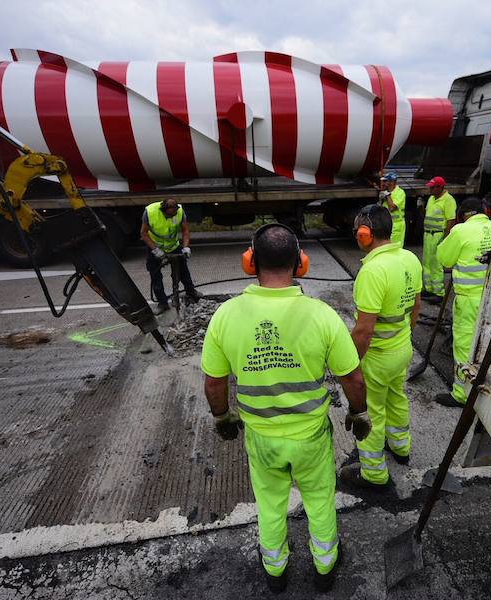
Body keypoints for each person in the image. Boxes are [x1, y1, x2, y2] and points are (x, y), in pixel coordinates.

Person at [200, 223, 370, 594]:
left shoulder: (225, 316)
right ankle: (325, 566)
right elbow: (353, 379)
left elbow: (214, 382)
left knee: (270, 504)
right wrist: (359, 413)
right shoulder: (321, 314)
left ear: (250, 262)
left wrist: (222, 417)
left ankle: (275, 571)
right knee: (320, 500)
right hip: (310, 436)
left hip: (262, 438)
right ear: (301, 263)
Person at [340, 205, 422, 490]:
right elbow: (416, 307)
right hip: (402, 350)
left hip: (377, 357)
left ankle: (373, 473)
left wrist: (349, 367)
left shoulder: (372, 271)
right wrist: (404, 338)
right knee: (396, 397)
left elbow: (364, 330)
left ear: (365, 234)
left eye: (356, 232)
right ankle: (401, 447)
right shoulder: (410, 258)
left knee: (371, 412)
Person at [434, 197, 491, 406]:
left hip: (469, 300)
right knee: (486, 343)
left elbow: (444, 259)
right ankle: (486, 383)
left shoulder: (460, 231)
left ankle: (461, 394)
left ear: (463, 214)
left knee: (463, 345)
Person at [140, 198, 199, 314]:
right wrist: (155, 250)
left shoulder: (180, 212)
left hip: (173, 246)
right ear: (163, 211)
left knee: (184, 272)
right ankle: (162, 303)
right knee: (155, 275)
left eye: (174, 214)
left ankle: (191, 293)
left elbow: (185, 230)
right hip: (155, 247)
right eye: (170, 215)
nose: (173, 217)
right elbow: (143, 233)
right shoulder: (150, 212)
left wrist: (186, 247)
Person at [421, 176, 457, 304]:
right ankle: (429, 289)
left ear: (440, 187)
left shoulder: (448, 200)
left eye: (432, 187)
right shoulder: (431, 199)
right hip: (428, 235)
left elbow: (450, 221)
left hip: (438, 235)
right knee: (427, 263)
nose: (430, 189)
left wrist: (445, 240)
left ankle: (439, 293)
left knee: (436, 264)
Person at [379, 172, 406, 246]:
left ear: (392, 182)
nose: (383, 183)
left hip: (396, 226)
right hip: (387, 225)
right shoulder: (386, 193)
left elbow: (392, 208)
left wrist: (387, 195)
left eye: (385, 181)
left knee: (395, 249)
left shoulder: (400, 193)